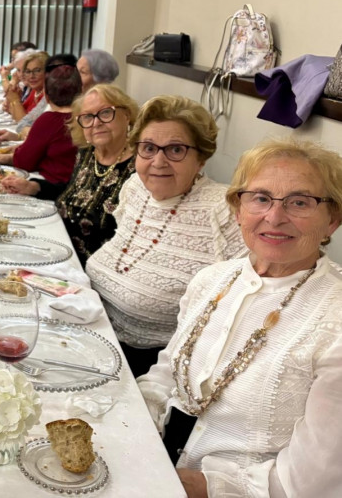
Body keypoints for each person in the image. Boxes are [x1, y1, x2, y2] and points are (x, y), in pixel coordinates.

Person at [136, 137, 342, 498]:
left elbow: (314, 479)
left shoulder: (335, 318)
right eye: (261, 198)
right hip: (154, 459)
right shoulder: (212, 280)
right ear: (238, 209)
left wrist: (205, 486)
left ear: (333, 220)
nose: (274, 217)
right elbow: (168, 370)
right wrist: (135, 422)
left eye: (300, 202)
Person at [85, 96, 247, 376]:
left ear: (201, 158)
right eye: (148, 148)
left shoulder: (225, 212)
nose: (158, 161)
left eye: (175, 149)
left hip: (153, 367)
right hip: (94, 331)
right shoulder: (136, 187)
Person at [1, 84, 139, 265]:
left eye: (106, 113)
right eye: (88, 117)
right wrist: (34, 187)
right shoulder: (87, 153)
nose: (96, 122)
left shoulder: (139, 169)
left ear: (127, 115)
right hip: (57, 246)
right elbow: (72, 192)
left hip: (90, 267)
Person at [0, 65, 82, 199]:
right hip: (76, 187)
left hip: (52, 188)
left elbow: (25, 161)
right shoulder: (87, 118)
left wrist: (12, 158)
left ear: (47, 97)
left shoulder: (49, 120)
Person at [4, 51, 49, 124]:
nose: (32, 76)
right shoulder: (35, 91)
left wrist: (15, 100)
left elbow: (25, 125)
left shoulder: (48, 95)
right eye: (28, 71)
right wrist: (14, 99)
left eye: (37, 71)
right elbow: (16, 116)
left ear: (47, 71)